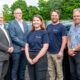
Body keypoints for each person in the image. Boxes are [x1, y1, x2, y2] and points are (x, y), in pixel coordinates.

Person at [25, 14, 49, 80]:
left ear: (41, 22)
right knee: (32, 77)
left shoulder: (44, 32)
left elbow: (45, 47)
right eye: (34, 20)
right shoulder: (30, 33)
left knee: (40, 77)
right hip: (30, 57)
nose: (35, 22)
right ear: (32, 22)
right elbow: (26, 46)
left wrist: (36, 58)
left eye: (37, 20)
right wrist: (28, 58)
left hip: (40, 57)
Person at [8, 8, 28, 80]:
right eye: (18, 13)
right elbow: (13, 37)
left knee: (23, 69)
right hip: (16, 50)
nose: (20, 14)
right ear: (14, 14)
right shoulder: (11, 23)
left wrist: (25, 46)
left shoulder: (25, 24)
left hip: (24, 50)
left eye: (20, 13)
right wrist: (24, 44)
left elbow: (27, 36)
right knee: (15, 69)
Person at [47, 10, 67, 80]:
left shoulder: (62, 27)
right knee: (50, 71)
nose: (54, 17)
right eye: (52, 15)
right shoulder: (48, 26)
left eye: (55, 15)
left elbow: (64, 40)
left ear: (58, 16)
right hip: (49, 52)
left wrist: (61, 51)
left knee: (59, 72)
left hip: (57, 53)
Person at [0, 12, 13, 80]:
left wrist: (11, 47)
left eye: (1, 18)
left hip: (6, 56)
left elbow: (9, 39)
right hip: (0, 56)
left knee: (3, 75)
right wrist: (8, 49)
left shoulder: (4, 28)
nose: (1, 19)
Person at [67, 8, 80, 80]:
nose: (76, 17)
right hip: (71, 53)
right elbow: (69, 38)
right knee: (72, 73)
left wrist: (73, 49)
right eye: (75, 16)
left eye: (78, 16)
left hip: (78, 53)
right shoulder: (72, 26)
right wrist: (69, 49)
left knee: (79, 73)